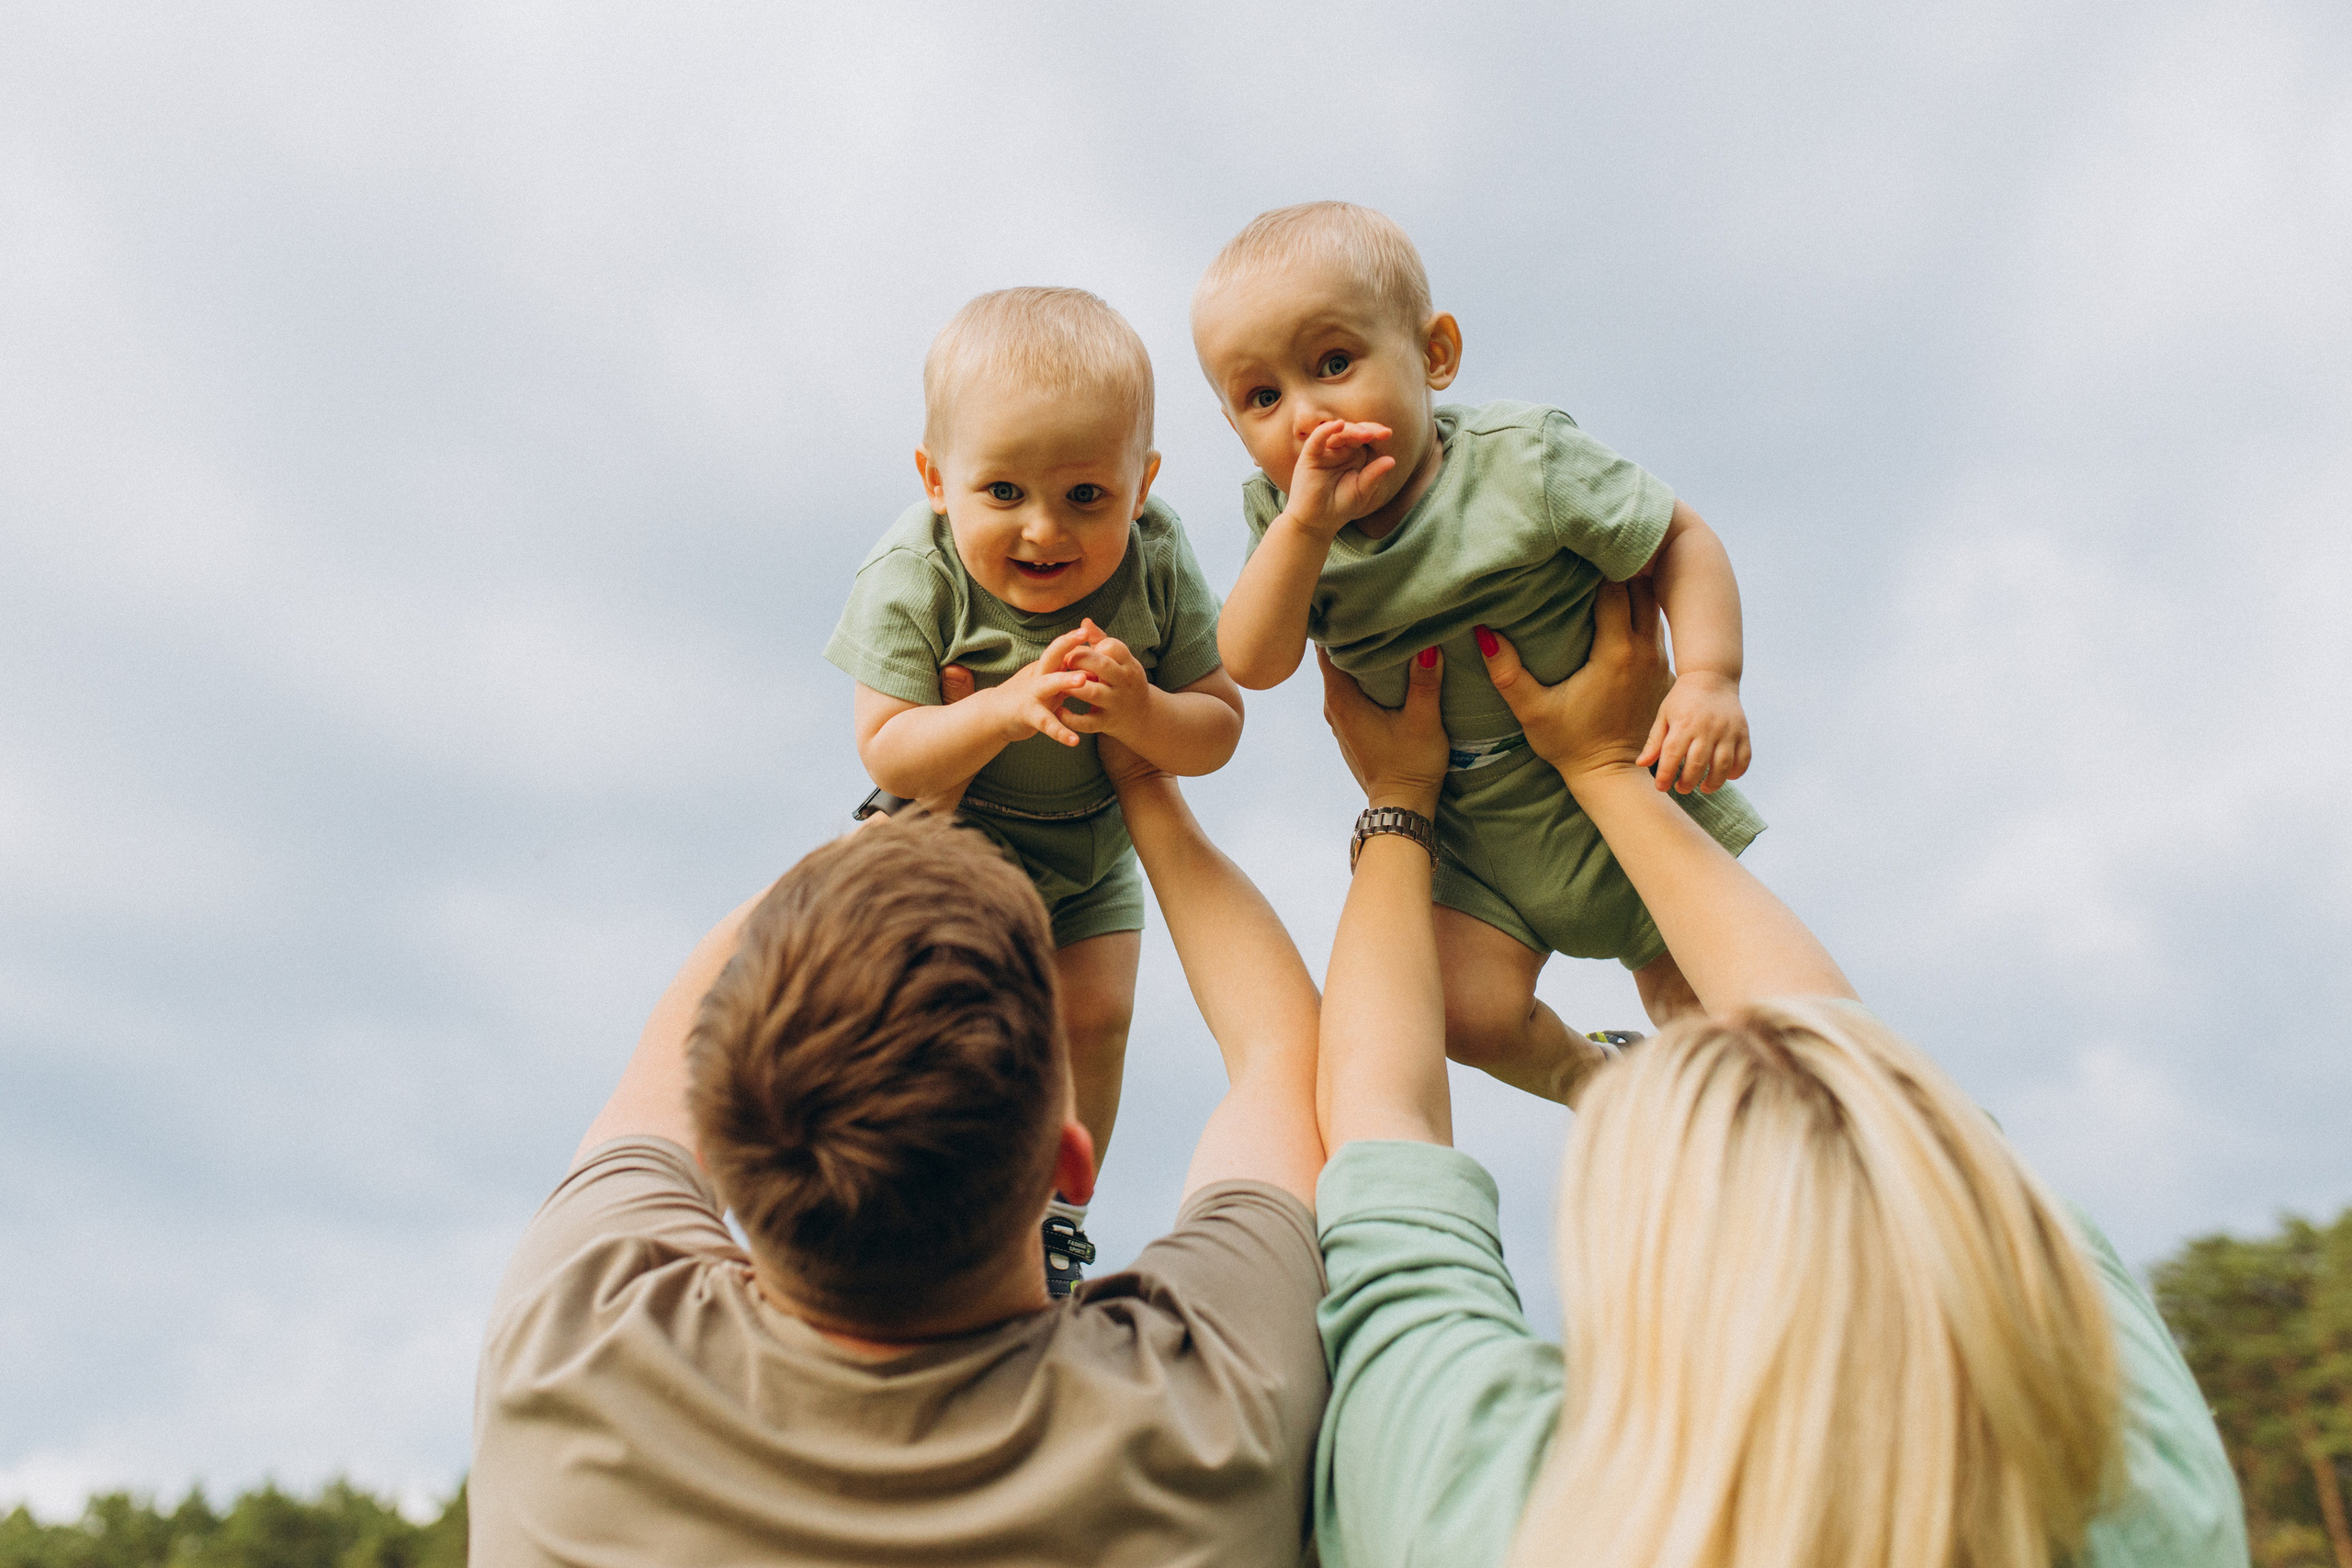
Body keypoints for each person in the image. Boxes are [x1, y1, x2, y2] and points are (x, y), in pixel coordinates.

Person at [1307, 575, 2249, 1568]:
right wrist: (1600, 769)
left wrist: (1400, 802)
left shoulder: (1501, 1511)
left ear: (1628, 1253)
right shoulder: (2139, 1499)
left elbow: (1383, 1122)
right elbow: (1877, 1093)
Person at [469, 752, 1329, 1565]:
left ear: (726, 1167)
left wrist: (907, 797)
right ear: (1072, 1164)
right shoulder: (1209, 1418)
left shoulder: (572, 1351)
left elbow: (680, 1036)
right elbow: (1283, 1057)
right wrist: (1145, 784)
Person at [1191, 200, 1760, 1105]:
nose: (1305, 416)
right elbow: (1253, 661)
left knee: (1718, 1015)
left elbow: (1678, 539)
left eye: (1333, 364)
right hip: (1478, 845)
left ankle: (1752, 1151)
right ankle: (1601, 1084)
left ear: (1434, 356)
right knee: (1464, 1011)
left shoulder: (1522, 462)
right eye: (1262, 398)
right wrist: (1302, 526)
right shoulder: (1285, 527)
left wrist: (1707, 678)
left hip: (1631, 790)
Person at [825, 286, 1246, 1287]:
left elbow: (1218, 725)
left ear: (1140, 485)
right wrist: (1004, 708)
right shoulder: (912, 572)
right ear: (936, 478)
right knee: (930, 1025)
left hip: (1091, 849)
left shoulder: (1155, 561)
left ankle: (1062, 1213)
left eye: (1085, 497)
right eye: (1002, 492)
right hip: (948, 844)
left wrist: (1144, 715)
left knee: (1095, 1019)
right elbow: (886, 749)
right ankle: (917, 1196)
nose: (1044, 531)